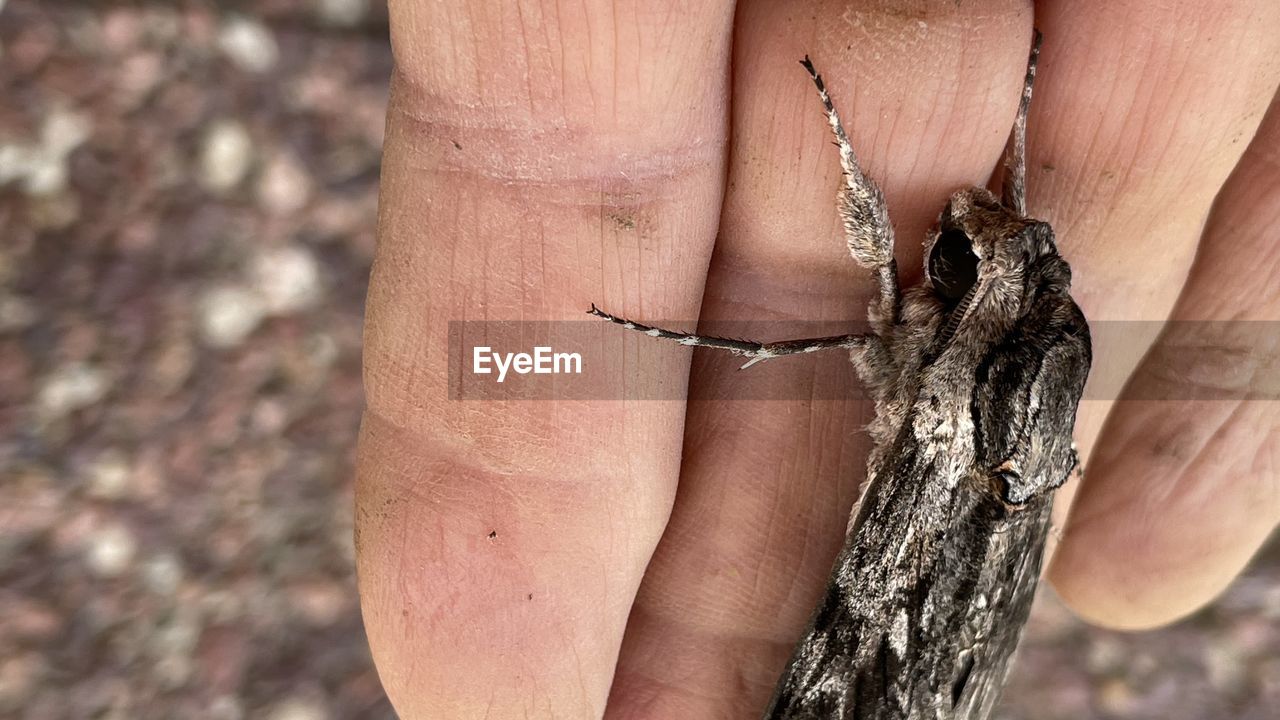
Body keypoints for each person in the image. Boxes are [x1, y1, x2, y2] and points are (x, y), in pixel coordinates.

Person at [356, 1, 1280, 717]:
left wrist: (845, 143)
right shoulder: (1024, 330)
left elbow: (879, 304)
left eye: (958, 265)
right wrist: (1023, 114)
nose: (961, 238)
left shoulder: (945, 382)